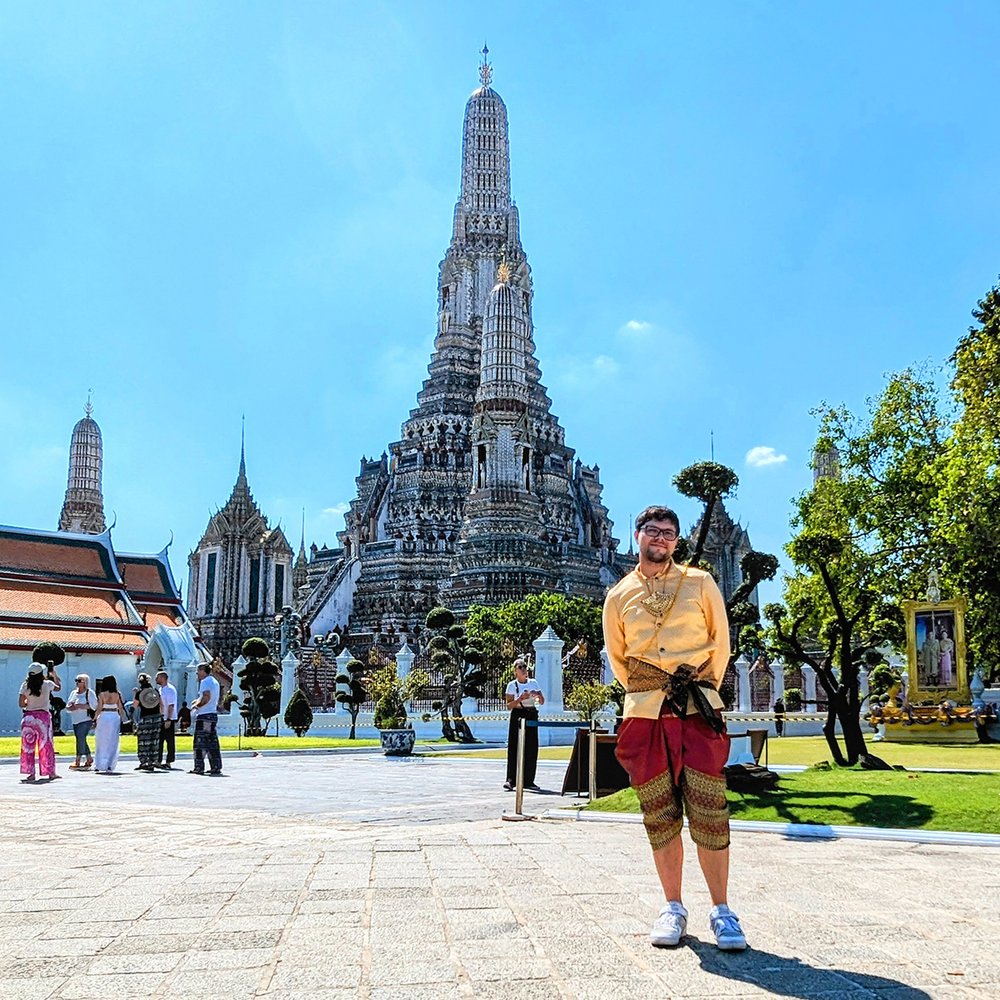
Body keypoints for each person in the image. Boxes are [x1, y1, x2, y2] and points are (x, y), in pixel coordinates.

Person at [603, 505, 746, 951]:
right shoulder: (618, 595)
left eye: (668, 534)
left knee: (709, 810)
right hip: (646, 712)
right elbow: (619, 659)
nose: (659, 539)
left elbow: (720, 646)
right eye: (652, 531)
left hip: (697, 709)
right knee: (659, 814)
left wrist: (698, 690)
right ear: (638, 534)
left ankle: (722, 910)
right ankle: (673, 906)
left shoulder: (701, 583)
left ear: (676, 541)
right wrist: (653, 692)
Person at [503, 658, 545, 792]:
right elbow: (509, 705)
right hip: (518, 714)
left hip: (531, 714)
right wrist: (520, 698)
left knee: (532, 747)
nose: (524, 669)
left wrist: (537, 695)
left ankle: (529, 780)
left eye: (525, 667)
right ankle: (511, 780)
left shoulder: (533, 683)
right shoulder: (512, 685)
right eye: (520, 667)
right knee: (514, 747)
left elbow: (542, 701)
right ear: (515, 671)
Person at [19, 662, 61, 783]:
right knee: (46, 746)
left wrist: (30, 703)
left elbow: (21, 704)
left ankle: (30, 773)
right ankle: (50, 772)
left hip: (28, 718)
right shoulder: (47, 684)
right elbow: (58, 688)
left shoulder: (25, 685)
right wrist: (54, 675)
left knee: (28, 747)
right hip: (43, 717)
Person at [190, 663, 223, 776]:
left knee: (200, 743)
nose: (197, 674)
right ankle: (216, 766)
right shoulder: (214, 681)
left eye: (198, 671)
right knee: (212, 742)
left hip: (204, 715)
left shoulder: (205, 682)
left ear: (203, 671)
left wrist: (196, 706)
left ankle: (199, 767)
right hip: (212, 714)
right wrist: (197, 701)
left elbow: (206, 697)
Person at [93, 675, 127, 774]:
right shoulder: (117, 694)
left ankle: (99, 764)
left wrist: (95, 718)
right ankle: (110, 764)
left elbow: (99, 708)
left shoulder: (102, 694)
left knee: (101, 740)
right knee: (113, 740)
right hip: (114, 716)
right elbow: (120, 708)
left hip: (104, 715)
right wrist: (124, 719)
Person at [65, 673, 97, 770]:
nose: (77, 683)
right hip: (75, 720)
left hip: (85, 720)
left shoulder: (89, 693)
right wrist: (71, 707)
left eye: (79, 681)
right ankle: (89, 758)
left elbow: (94, 706)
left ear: (85, 682)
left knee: (80, 739)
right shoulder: (73, 693)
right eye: (76, 681)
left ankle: (77, 760)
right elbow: (67, 706)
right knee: (81, 739)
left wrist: (80, 706)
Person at [132, 673, 162, 772]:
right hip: (156, 718)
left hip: (145, 718)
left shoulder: (140, 693)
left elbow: (134, 706)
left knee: (144, 740)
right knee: (154, 740)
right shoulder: (155, 691)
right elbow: (161, 704)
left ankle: (144, 761)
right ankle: (152, 760)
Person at [156, 670, 178, 770]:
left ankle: (169, 761)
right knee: (159, 740)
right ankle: (158, 760)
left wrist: (168, 719)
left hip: (169, 718)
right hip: (161, 717)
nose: (156, 679)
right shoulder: (160, 689)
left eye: (158, 677)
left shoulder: (170, 690)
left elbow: (171, 705)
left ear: (163, 678)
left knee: (169, 740)